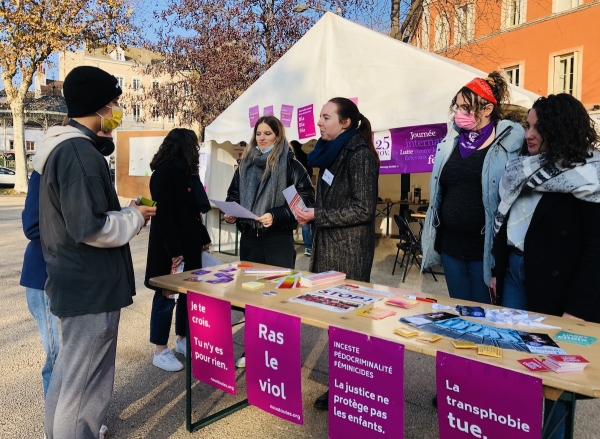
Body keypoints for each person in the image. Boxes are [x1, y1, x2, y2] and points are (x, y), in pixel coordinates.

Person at [33, 66, 156, 439]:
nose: (117, 110)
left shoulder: (64, 148)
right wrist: (134, 216)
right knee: (84, 386)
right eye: (115, 103)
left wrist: (125, 212)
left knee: (71, 380)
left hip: (76, 282)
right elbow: (91, 228)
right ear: (99, 106)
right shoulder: (79, 153)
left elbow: (84, 218)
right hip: (90, 286)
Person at [490, 94, 600, 439]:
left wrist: (576, 309)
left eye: (537, 126)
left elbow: (596, 251)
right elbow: (503, 221)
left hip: (558, 291)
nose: (528, 134)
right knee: (513, 364)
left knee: (555, 379)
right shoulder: (521, 168)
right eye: (528, 125)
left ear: (560, 127)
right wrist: (496, 267)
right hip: (514, 275)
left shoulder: (588, 175)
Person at [295, 97, 380, 410]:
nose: (319, 123)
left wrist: (318, 214)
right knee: (338, 326)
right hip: (330, 251)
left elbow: (363, 208)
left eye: (326, 117)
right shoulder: (331, 153)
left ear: (345, 123)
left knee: (350, 326)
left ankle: (350, 389)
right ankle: (343, 385)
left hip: (348, 254)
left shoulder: (358, 154)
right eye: (319, 116)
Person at [421, 71, 525, 304]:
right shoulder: (451, 141)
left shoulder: (509, 142)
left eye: (466, 108)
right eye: (457, 107)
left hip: (484, 250)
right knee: (460, 310)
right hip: (451, 247)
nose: (460, 114)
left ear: (487, 109)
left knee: (483, 316)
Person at [144, 128, 212, 372]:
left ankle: (182, 340)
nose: (196, 151)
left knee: (187, 295)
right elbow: (164, 216)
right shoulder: (164, 174)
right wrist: (174, 251)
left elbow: (194, 213)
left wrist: (203, 237)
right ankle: (160, 350)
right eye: (193, 146)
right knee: (166, 298)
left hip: (190, 245)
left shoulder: (187, 174)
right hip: (170, 249)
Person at [224, 116, 314, 269]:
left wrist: (275, 215)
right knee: (247, 289)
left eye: (267, 133)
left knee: (277, 289)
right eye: (258, 134)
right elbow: (233, 195)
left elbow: (304, 201)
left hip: (278, 240)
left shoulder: (290, 166)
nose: (262, 138)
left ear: (277, 136)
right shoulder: (244, 165)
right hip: (249, 239)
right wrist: (231, 212)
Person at [291, 140, 314, 256]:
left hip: (292, 191)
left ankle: (290, 243)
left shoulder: (291, 161)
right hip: (304, 190)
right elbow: (310, 171)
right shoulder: (305, 157)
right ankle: (308, 246)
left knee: (292, 216)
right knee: (304, 219)